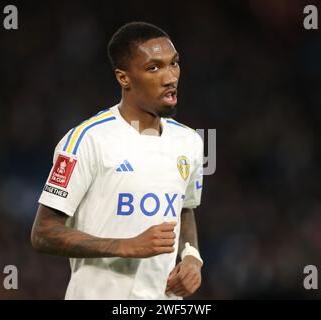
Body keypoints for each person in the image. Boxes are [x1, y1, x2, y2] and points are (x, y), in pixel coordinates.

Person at [31, 21, 204, 300]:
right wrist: (125, 246)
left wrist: (192, 256)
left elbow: (185, 209)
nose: (170, 76)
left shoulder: (190, 143)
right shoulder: (87, 140)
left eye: (174, 63)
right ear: (124, 78)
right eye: (153, 68)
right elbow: (43, 233)